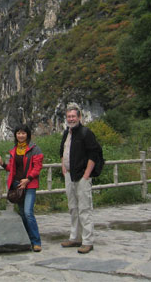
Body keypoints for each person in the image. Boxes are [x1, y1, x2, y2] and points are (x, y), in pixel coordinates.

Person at [0, 124, 43, 252]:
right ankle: (27, 239)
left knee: (28, 212)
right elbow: (12, 168)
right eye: (18, 133)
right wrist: (2, 163)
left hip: (29, 184)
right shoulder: (14, 150)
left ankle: (36, 241)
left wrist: (28, 179)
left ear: (27, 134)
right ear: (15, 135)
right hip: (17, 184)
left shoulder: (34, 149)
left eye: (23, 133)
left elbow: (37, 167)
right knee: (22, 213)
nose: (21, 135)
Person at [59, 106, 98, 254]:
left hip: (82, 175)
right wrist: (63, 166)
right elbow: (62, 151)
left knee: (84, 208)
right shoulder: (66, 133)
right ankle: (75, 237)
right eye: (68, 116)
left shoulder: (86, 133)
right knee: (73, 208)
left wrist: (87, 174)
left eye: (73, 116)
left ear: (79, 117)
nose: (71, 119)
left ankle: (87, 241)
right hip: (69, 175)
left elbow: (94, 154)